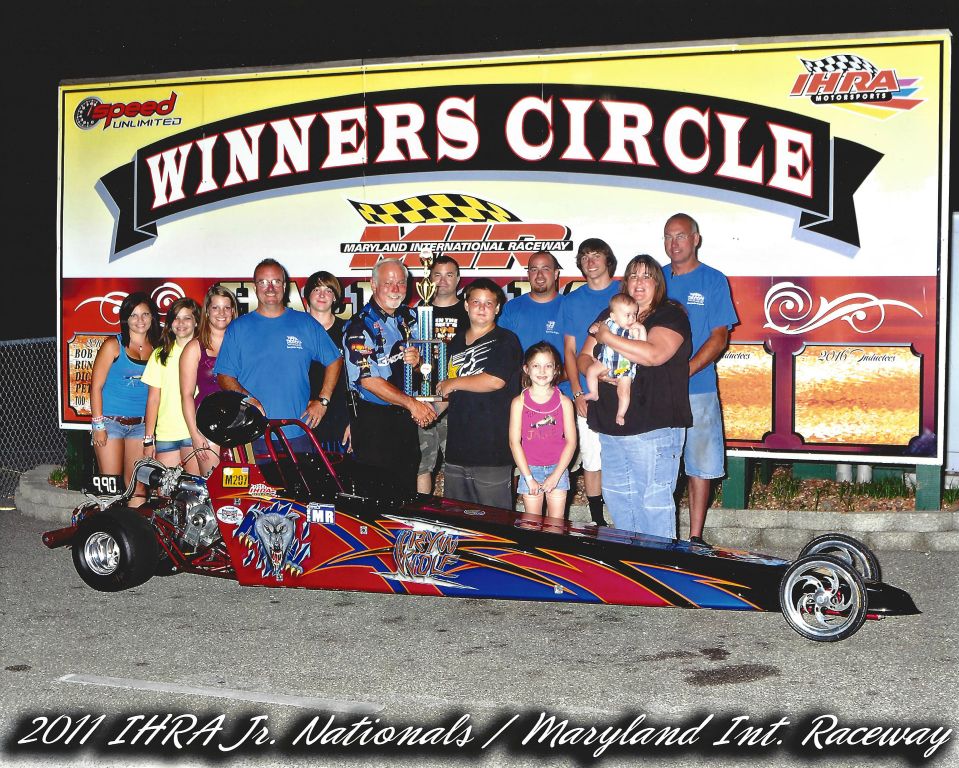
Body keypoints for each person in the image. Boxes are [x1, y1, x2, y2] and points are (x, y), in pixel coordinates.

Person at [578, 254, 692, 539]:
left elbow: (653, 355)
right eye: (633, 276)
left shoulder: (670, 315)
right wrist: (598, 373)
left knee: (652, 503)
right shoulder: (610, 314)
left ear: (658, 283)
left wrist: (607, 337)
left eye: (647, 276)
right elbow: (583, 356)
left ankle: (659, 563)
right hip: (611, 426)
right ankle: (631, 563)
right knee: (618, 498)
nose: (639, 282)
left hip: (654, 427)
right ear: (625, 282)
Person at [662, 213, 739, 546]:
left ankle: (695, 537)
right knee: (660, 465)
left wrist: (686, 371)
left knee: (700, 465)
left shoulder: (713, 280)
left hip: (699, 389)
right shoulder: (655, 279)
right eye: (668, 236)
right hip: (658, 392)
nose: (674, 243)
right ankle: (660, 535)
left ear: (696, 239)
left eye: (680, 236)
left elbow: (719, 337)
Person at [215, 258, 343, 455]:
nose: (270, 288)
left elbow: (334, 359)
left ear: (284, 286)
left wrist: (323, 400)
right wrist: (247, 399)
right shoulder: (238, 328)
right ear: (255, 287)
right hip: (251, 433)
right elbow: (224, 375)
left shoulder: (305, 323)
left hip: (298, 432)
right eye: (263, 282)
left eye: (276, 281)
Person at [343, 258, 436, 491]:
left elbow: (428, 368)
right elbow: (368, 381)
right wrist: (412, 405)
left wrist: (419, 362)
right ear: (374, 285)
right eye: (388, 283)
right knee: (377, 495)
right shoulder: (359, 326)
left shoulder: (411, 318)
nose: (395, 289)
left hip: (405, 419)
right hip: (374, 422)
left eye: (401, 283)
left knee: (406, 489)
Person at [436, 278, 522, 508]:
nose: (482, 308)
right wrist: (428, 411)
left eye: (488, 303)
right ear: (466, 305)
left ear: (498, 308)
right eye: (476, 302)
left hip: (492, 450)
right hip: (457, 448)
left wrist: (452, 383)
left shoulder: (506, 340)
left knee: (495, 519)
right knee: (455, 516)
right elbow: (449, 391)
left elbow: (494, 380)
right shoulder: (455, 341)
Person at [559, 238, 620, 526]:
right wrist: (577, 392)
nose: (590, 261)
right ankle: (598, 521)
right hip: (589, 393)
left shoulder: (625, 292)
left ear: (608, 260)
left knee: (621, 456)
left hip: (623, 390)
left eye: (596, 255)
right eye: (584, 257)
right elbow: (570, 350)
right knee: (592, 456)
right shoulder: (571, 301)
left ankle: (624, 516)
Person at [89, 292, 161, 498]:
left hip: (141, 426)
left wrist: (150, 435)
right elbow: (95, 387)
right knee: (111, 485)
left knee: (137, 487)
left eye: (145, 314)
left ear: (152, 317)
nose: (140, 320)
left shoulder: (159, 349)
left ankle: (134, 521)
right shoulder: (113, 345)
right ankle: (108, 520)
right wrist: (98, 426)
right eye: (134, 315)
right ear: (125, 319)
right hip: (111, 423)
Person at [416, 255, 469, 494]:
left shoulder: (468, 311)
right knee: (422, 465)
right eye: (437, 275)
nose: (443, 280)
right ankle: (420, 511)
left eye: (449, 275)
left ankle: (456, 512)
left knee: (457, 466)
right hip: (424, 400)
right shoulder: (418, 312)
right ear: (429, 279)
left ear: (458, 279)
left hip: (457, 400)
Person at [508, 342, 576, 524]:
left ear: (556, 370)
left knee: (556, 523)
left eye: (548, 365)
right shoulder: (518, 403)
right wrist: (528, 477)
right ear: (526, 369)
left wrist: (556, 475)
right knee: (532, 523)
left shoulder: (565, 402)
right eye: (536, 365)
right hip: (529, 469)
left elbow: (571, 442)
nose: (542, 371)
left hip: (558, 467)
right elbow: (514, 442)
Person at [180, 285, 238, 476]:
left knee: (241, 485)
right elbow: (186, 395)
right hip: (207, 424)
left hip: (240, 422)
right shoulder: (194, 348)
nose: (221, 313)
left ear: (233, 311)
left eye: (227, 307)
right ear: (207, 311)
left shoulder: (243, 345)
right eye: (215, 307)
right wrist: (195, 435)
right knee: (213, 483)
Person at [143, 297, 201, 473]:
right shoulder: (159, 355)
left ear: (196, 321)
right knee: (165, 489)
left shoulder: (204, 353)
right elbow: (153, 399)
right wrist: (148, 440)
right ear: (169, 323)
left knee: (197, 487)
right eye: (176, 318)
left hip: (195, 433)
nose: (181, 323)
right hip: (166, 435)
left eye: (187, 318)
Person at [303, 271, 350, 453]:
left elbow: (360, 381)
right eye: (317, 289)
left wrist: (355, 423)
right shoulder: (295, 330)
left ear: (335, 297)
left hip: (340, 425)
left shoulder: (348, 331)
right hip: (302, 422)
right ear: (307, 295)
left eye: (328, 290)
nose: (322, 295)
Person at [582, 293, 647, 426]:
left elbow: (643, 346)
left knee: (624, 391)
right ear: (613, 316)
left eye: (634, 314)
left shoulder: (634, 329)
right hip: (606, 361)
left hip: (625, 367)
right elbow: (597, 327)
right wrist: (594, 327)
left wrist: (642, 329)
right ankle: (594, 392)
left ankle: (621, 413)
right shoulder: (608, 323)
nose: (632, 318)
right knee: (591, 371)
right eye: (627, 315)